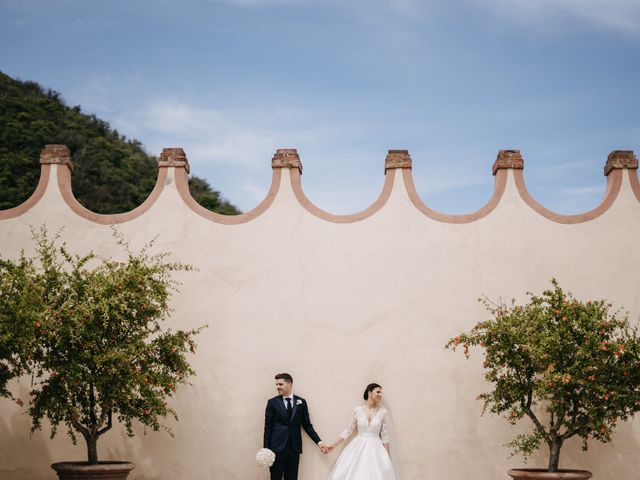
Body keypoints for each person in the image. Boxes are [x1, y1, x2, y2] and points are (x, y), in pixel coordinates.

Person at [263, 373, 328, 480]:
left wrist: (319, 442)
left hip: (294, 449)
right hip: (276, 450)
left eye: (280, 384)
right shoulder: (272, 403)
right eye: (276, 384)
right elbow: (268, 428)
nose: (277, 387)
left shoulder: (301, 402)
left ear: (290, 384)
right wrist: (266, 450)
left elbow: (307, 425)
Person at [326, 383, 397, 480]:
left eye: (381, 392)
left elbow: (384, 436)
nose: (380, 395)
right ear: (369, 393)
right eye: (378, 392)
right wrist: (333, 445)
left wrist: (386, 456)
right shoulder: (357, 410)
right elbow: (348, 430)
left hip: (376, 448)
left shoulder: (382, 412)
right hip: (358, 446)